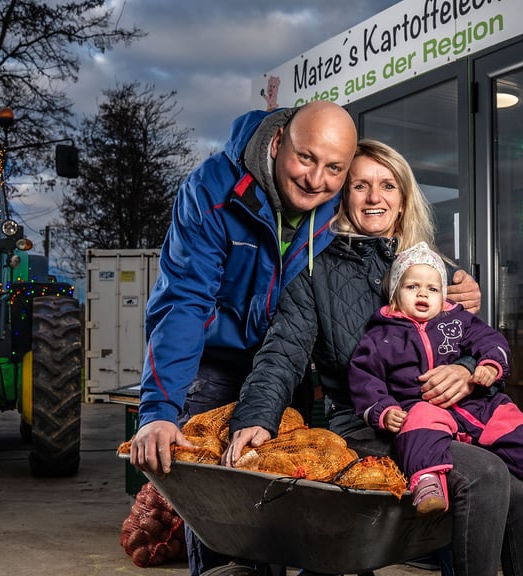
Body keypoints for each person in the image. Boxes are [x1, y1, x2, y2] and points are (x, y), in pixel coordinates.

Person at [128, 105, 481, 575]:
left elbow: (386, 233)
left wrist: (452, 276)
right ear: (278, 144)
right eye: (306, 159)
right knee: (221, 507)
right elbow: (184, 304)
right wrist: (158, 411)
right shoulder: (211, 192)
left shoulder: (335, 197)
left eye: (335, 169)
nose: (317, 180)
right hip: (212, 361)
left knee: (277, 505)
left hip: (283, 361)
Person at [224, 139, 523, 576]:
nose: (375, 197)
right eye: (360, 185)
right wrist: (257, 418)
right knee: (485, 475)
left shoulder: (430, 267)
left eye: (388, 186)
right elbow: (282, 354)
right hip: (373, 423)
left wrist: (468, 371)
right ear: (343, 196)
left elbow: (476, 339)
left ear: (402, 200)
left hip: (455, 415)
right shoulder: (313, 271)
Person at [348, 241, 523, 517]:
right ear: (395, 294)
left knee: (508, 416)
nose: (422, 293)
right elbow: (364, 378)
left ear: (443, 295)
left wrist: (490, 364)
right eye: (412, 286)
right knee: (416, 428)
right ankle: (427, 484)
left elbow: (490, 339)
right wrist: (384, 410)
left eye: (432, 288)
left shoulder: (457, 320)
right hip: (420, 404)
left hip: (475, 401)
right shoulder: (380, 335)